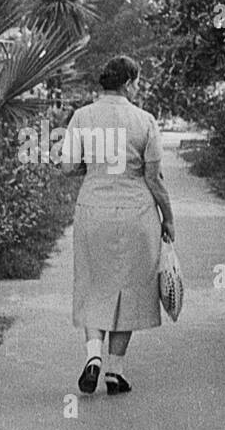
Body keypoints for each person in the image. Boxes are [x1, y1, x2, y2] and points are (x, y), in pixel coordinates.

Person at [60, 55, 175, 396]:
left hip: (93, 211)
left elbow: (67, 166)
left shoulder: (81, 117)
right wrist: (168, 218)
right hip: (135, 215)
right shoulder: (145, 121)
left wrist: (91, 167)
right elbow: (154, 178)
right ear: (127, 84)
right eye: (136, 82)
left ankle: (92, 356)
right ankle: (115, 371)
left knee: (94, 284)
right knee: (129, 288)